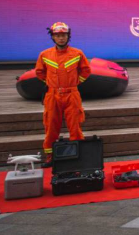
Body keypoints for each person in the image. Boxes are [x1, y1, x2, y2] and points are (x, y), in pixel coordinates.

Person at [35, 22, 91, 167]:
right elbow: (39, 72)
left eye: (63, 35)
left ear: (68, 36)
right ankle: (50, 157)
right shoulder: (45, 55)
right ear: (53, 37)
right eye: (58, 35)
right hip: (52, 95)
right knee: (51, 126)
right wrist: (51, 83)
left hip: (72, 94)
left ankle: (78, 157)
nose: (61, 38)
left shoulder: (77, 53)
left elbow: (86, 70)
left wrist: (75, 82)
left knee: (75, 127)